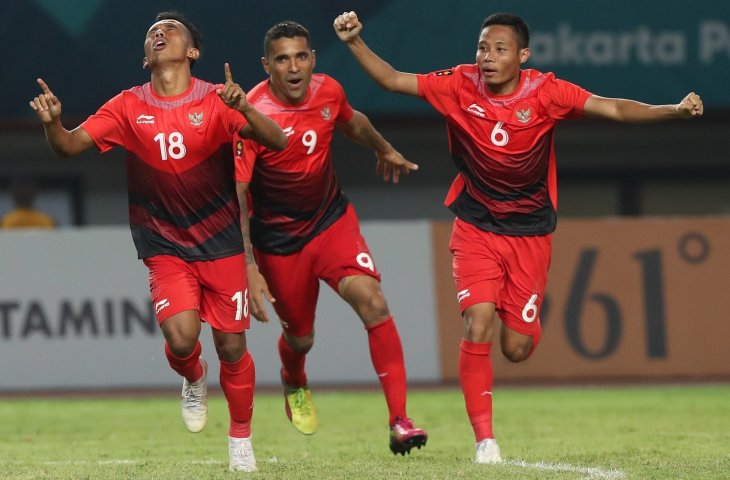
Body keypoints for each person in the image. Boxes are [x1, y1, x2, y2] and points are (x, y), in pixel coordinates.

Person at [333, 11, 704, 464]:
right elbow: (391, 80)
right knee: (478, 321)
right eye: (482, 48)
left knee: (517, 348)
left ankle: (523, 325)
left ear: (523, 56)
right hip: (476, 225)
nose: (487, 58)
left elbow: (613, 107)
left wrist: (673, 110)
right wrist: (353, 42)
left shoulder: (546, 92)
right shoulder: (459, 84)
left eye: (499, 49)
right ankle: (485, 441)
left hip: (530, 233)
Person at [29, 11, 287, 473]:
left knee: (232, 347)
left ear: (193, 52)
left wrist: (245, 107)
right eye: (152, 32)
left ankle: (240, 440)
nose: (158, 33)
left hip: (222, 242)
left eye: (170, 29)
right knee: (182, 337)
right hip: (164, 243)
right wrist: (53, 123)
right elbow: (68, 146)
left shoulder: (218, 99)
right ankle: (192, 377)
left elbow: (278, 141)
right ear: (145, 55)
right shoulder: (127, 105)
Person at [233, 20, 427, 455]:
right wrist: (248, 266)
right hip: (279, 242)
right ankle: (294, 379)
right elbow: (238, 195)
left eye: (301, 56)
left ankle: (399, 420)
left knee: (374, 302)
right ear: (267, 66)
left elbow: (351, 121)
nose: (294, 67)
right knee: (301, 338)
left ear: (313, 59)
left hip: (330, 222)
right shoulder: (250, 114)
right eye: (282, 59)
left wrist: (382, 146)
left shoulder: (327, 90)